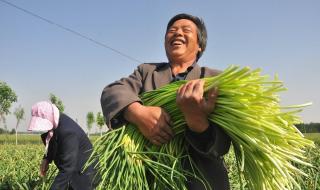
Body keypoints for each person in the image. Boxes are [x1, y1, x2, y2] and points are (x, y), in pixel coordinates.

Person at [101, 13, 231, 190]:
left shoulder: (215, 80)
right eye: (172, 30)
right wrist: (138, 113)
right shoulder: (146, 71)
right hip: (152, 182)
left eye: (186, 30)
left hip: (204, 183)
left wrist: (197, 121)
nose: (177, 33)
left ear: (200, 45)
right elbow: (112, 91)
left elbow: (222, 145)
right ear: (164, 42)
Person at [27, 101, 96, 190]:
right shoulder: (56, 122)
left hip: (85, 176)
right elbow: (52, 141)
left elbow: (67, 168)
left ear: (49, 116)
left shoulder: (68, 132)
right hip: (73, 171)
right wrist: (46, 158)